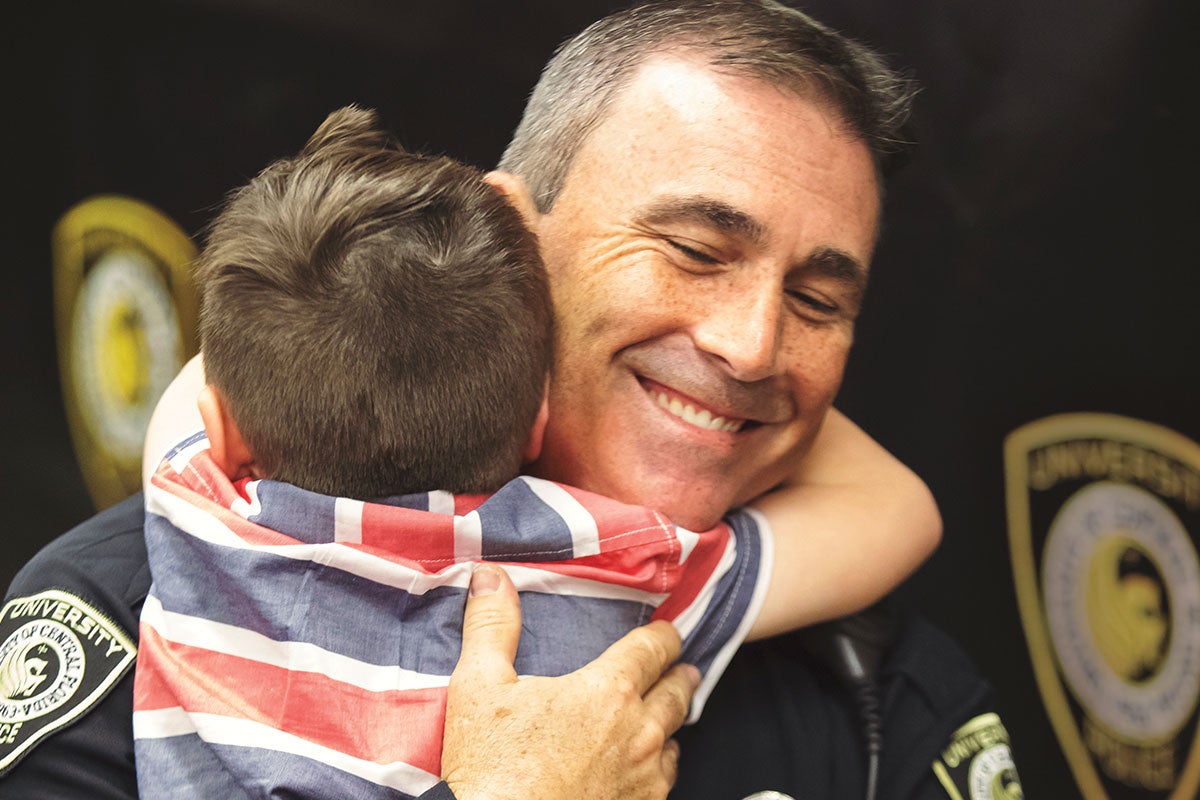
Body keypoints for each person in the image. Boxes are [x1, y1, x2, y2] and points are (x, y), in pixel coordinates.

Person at [1, 1, 1017, 798]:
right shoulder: (121, 613)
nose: (752, 344)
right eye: (697, 251)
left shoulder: (876, 680)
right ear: (511, 228)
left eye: (816, 298)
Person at [133, 104, 774, 798]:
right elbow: (895, 511)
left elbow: (215, 396)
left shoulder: (195, 506)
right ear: (538, 420)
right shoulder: (609, 563)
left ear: (225, 436)